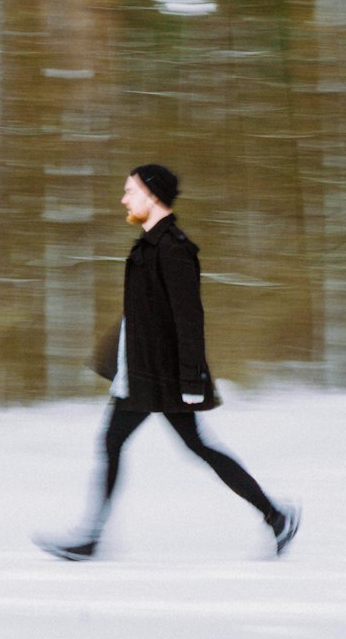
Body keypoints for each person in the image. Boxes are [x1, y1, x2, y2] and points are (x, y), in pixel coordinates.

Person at [35, 164, 300, 561]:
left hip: (162, 378)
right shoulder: (148, 246)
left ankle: (274, 516)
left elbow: (188, 319)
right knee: (169, 446)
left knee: (161, 446)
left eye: (130, 191)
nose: (124, 199)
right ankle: (275, 516)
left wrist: (192, 381)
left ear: (152, 195)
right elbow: (142, 316)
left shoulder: (174, 249)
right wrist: (114, 359)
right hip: (142, 374)